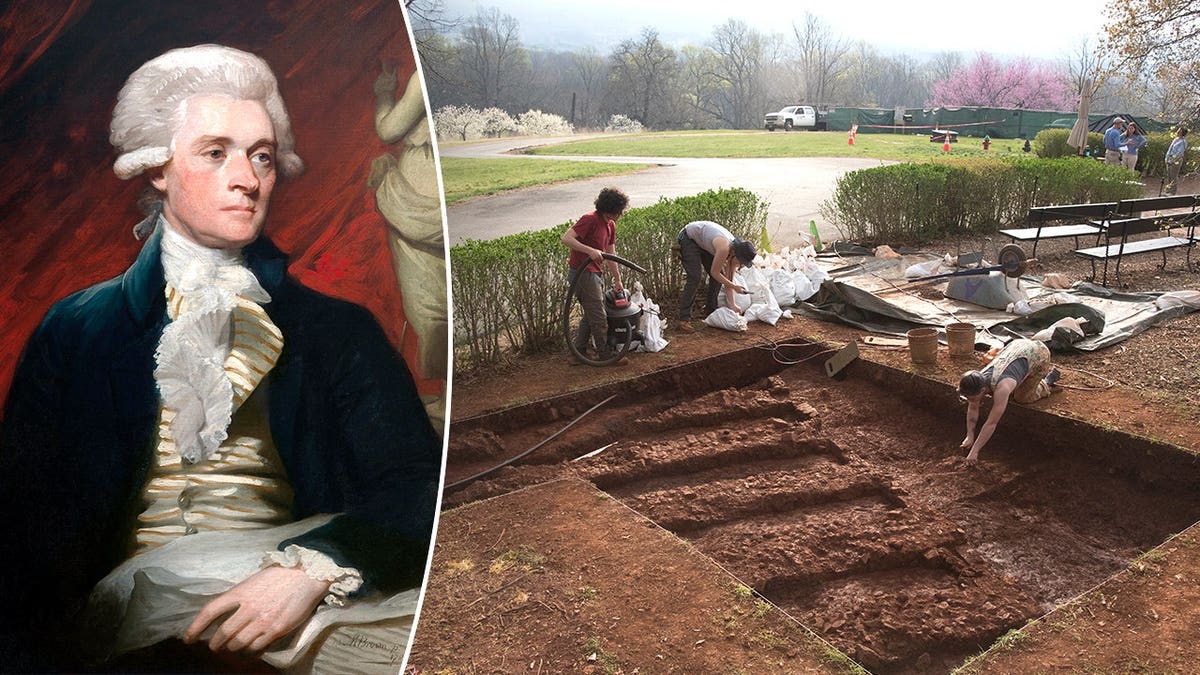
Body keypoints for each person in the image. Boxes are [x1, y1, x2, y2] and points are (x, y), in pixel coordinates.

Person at [0, 44, 442, 670]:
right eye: (215, 153)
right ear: (158, 167)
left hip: (297, 596)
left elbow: (418, 484)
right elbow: (17, 533)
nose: (248, 177)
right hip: (124, 623)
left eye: (261, 156)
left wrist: (314, 570)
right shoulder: (78, 329)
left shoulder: (334, 329)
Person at [369, 63, 447, 430]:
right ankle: (445, 395)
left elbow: (388, 130)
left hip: (417, 205)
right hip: (431, 204)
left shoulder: (423, 77)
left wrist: (384, 94)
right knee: (440, 306)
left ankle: (446, 399)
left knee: (430, 309)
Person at [957, 338, 1060, 463]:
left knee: (1022, 397)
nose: (970, 400)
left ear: (982, 390)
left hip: (1038, 354)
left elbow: (991, 423)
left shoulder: (1002, 388)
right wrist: (970, 436)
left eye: (971, 397)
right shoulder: (977, 380)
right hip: (1017, 346)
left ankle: (1048, 381)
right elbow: (973, 407)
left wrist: (975, 451)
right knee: (1011, 391)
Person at [561, 187, 629, 361]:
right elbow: (566, 238)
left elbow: (610, 253)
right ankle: (606, 355)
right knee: (598, 316)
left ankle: (578, 353)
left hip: (595, 273)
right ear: (608, 209)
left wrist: (617, 279)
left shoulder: (610, 224)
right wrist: (590, 250)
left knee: (590, 314)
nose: (619, 215)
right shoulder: (590, 219)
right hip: (582, 273)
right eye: (617, 212)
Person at [676, 220, 756, 328]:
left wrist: (733, 305)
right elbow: (715, 273)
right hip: (689, 238)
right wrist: (735, 287)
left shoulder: (732, 253)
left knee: (719, 278)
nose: (740, 264)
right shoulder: (724, 248)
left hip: (704, 243)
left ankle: (710, 310)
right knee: (695, 277)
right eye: (741, 261)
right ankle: (684, 320)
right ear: (736, 255)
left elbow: (728, 280)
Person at [1164, 127, 1189, 196]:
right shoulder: (1175, 139)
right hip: (1169, 160)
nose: (1177, 131)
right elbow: (1170, 149)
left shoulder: (1183, 142)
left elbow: (1179, 153)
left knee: (1173, 176)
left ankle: (1172, 192)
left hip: (1175, 162)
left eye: (1179, 131)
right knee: (1169, 176)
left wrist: (1172, 160)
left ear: (1182, 133)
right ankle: (1168, 191)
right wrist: (1166, 159)